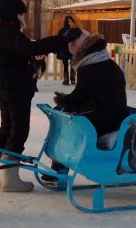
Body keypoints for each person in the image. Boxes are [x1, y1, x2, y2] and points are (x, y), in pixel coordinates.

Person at [0, 0, 81, 192]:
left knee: (6, 128)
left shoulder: (0, 31)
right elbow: (31, 48)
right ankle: (10, 180)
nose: (22, 18)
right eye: (19, 15)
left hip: (7, 83)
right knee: (18, 129)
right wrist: (62, 39)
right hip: (14, 85)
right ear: (10, 15)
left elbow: (27, 49)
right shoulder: (5, 32)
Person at [41, 31, 129, 184]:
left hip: (107, 117)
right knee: (68, 114)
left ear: (80, 50)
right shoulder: (104, 62)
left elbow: (80, 96)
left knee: (71, 125)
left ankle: (58, 171)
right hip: (114, 113)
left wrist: (62, 100)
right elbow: (88, 95)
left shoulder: (90, 67)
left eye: (72, 48)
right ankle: (58, 169)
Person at [56, 15, 78, 85]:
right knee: (73, 64)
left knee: (65, 65)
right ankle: (73, 79)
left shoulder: (61, 31)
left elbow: (58, 42)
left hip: (64, 50)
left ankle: (66, 79)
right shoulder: (75, 30)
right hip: (73, 49)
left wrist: (58, 52)